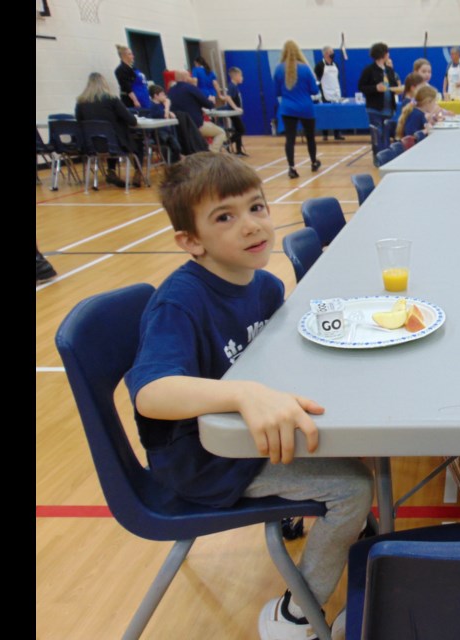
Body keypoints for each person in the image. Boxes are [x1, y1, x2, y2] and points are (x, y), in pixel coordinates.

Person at [125, 152, 373, 640]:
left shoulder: (261, 284)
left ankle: (349, 533)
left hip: (245, 437)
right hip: (203, 458)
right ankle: (297, 612)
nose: (251, 226)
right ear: (190, 242)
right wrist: (240, 393)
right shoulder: (181, 301)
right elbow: (150, 393)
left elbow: (281, 356)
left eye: (256, 208)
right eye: (225, 217)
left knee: (353, 435)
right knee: (354, 487)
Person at [75, 72, 142, 188]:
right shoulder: (112, 99)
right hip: (114, 143)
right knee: (138, 141)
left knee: (108, 138)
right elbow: (131, 120)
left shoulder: (80, 103)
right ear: (104, 84)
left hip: (91, 145)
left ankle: (111, 171)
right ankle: (138, 172)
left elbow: (79, 122)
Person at [275, 40, 322, 177]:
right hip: (305, 107)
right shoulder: (305, 68)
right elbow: (314, 90)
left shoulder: (279, 69)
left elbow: (276, 92)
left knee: (290, 139)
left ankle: (292, 167)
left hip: (287, 108)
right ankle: (313, 162)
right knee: (310, 137)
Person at [168, 70, 227, 153]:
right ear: (185, 77)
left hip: (179, 129)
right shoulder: (191, 88)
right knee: (221, 132)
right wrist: (211, 101)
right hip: (196, 126)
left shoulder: (170, 91)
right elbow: (208, 105)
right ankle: (212, 153)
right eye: (190, 76)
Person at [359, 42, 403, 136]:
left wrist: (399, 89)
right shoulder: (369, 70)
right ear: (383, 54)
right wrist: (375, 88)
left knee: (387, 136)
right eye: (387, 52)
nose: (388, 54)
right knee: (378, 137)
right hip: (375, 109)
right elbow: (361, 87)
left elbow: (394, 86)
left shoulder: (389, 70)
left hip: (389, 109)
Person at [314, 46, 345, 141]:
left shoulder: (335, 65)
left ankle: (337, 133)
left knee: (337, 113)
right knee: (326, 114)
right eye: (331, 52)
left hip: (336, 92)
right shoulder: (320, 65)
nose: (333, 53)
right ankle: (325, 134)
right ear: (326, 54)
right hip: (325, 93)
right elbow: (316, 79)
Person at [146, 85, 184, 161]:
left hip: (167, 131)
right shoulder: (153, 107)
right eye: (162, 94)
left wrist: (168, 110)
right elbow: (165, 116)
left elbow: (172, 115)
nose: (165, 96)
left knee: (177, 146)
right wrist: (167, 106)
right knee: (176, 148)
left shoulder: (160, 105)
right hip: (160, 134)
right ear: (156, 96)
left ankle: (177, 159)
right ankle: (174, 163)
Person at [114, 44, 151, 110]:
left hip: (144, 97)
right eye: (130, 54)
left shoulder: (133, 68)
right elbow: (127, 87)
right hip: (131, 100)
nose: (133, 56)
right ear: (124, 56)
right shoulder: (120, 70)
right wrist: (135, 100)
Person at [225, 67, 249, 156]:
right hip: (233, 113)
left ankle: (239, 150)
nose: (242, 78)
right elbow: (228, 97)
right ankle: (227, 143)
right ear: (236, 76)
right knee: (241, 130)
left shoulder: (234, 87)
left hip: (236, 113)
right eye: (241, 76)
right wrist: (235, 108)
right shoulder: (231, 86)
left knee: (238, 129)